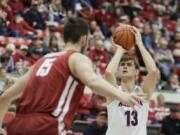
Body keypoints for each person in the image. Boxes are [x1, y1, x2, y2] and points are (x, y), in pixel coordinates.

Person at [0, 18, 144, 135]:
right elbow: (93, 81)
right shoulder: (76, 58)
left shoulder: (42, 60)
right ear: (84, 39)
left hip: (18, 125)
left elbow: (5, 96)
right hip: (46, 126)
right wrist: (122, 95)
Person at [105, 26, 159, 135]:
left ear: (136, 71)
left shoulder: (142, 93)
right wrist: (120, 50)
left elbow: (153, 71)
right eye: (122, 65)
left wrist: (140, 44)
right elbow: (109, 73)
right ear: (118, 71)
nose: (125, 67)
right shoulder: (114, 93)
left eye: (129, 65)